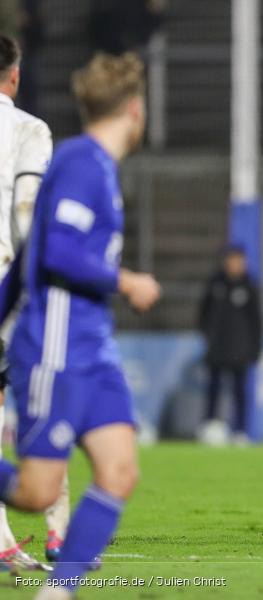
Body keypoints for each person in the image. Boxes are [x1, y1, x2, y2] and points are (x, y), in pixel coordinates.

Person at [0, 52, 160, 598]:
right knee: (33, 491)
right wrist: (127, 280)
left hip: (94, 348)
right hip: (56, 344)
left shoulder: (95, 167)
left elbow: (25, 260)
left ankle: (57, 592)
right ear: (136, 111)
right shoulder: (80, 163)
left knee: (119, 473)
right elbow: (59, 254)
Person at [0, 32, 69, 572]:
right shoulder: (29, 128)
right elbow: (26, 211)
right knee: (49, 401)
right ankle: (56, 533)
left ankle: (4, 542)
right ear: (14, 75)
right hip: (9, 286)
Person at [197, 245, 262, 446]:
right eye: (231, 260)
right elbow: (203, 312)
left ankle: (240, 431)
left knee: (240, 391)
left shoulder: (249, 286)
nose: (235, 264)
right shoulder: (215, 283)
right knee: (213, 389)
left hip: (240, 350)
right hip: (217, 348)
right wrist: (208, 335)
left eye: (238, 260)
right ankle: (209, 426)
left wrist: (255, 348)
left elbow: (257, 320)